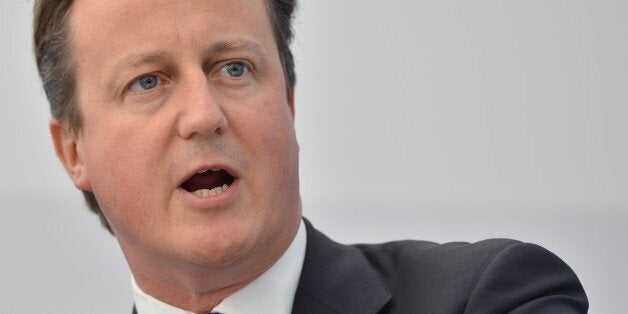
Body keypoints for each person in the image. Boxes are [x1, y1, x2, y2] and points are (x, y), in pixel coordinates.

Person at [33, 0, 588, 313]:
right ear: (74, 151)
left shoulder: (492, 299)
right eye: (148, 81)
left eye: (234, 68)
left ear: (288, 103)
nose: (204, 115)